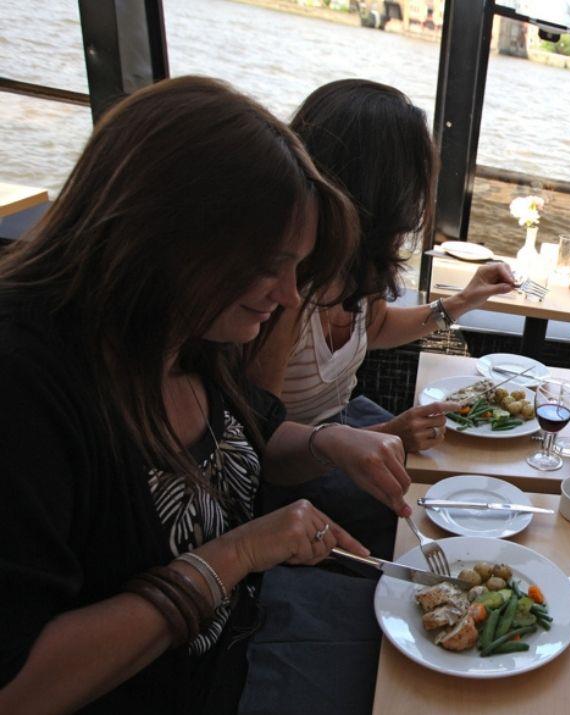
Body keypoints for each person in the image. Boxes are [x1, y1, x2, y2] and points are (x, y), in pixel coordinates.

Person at [0, 77, 414, 714]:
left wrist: (329, 442)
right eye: (269, 265)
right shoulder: (29, 383)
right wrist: (240, 552)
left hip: (244, 635)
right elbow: (19, 688)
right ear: (165, 231)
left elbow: (248, 442)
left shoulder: (189, 333)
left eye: (296, 270)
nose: (284, 297)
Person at [249, 79, 516, 450]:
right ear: (382, 193)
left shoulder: (356, 267)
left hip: (345, 428)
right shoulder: (283, 295)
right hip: (299, 464)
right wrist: (386, 436)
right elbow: (258, 440)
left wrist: (462, 302)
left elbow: (376, 327)